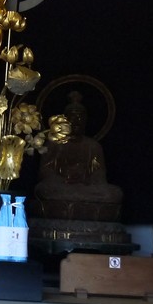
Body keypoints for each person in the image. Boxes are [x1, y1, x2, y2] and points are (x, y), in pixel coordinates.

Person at [32, 91, 123, 222]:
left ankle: (78, 206)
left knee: (114, 193)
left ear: (86, 120)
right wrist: (65, 178)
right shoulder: (54, 143)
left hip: (86, 188)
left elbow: (100, 175)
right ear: (65, 121)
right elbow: (45, 172)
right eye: (72, 118)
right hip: (62, 187)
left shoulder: (93, 146)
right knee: (44, 190)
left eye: (80, 118)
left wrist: (85, 179)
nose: (76, 122)